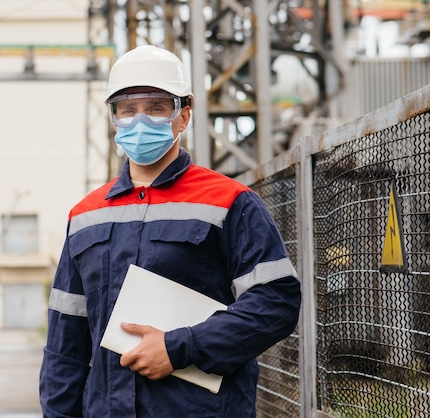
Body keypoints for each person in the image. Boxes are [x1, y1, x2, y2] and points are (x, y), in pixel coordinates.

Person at [39, 45, 301, 417]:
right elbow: (65, 341)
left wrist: (180, 347)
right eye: (127, 109)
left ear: (184, 115)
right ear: (113, 117)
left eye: (156, 108)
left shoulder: (230, 202)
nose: (140, 120)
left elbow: (277, 302)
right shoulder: (86, 216)